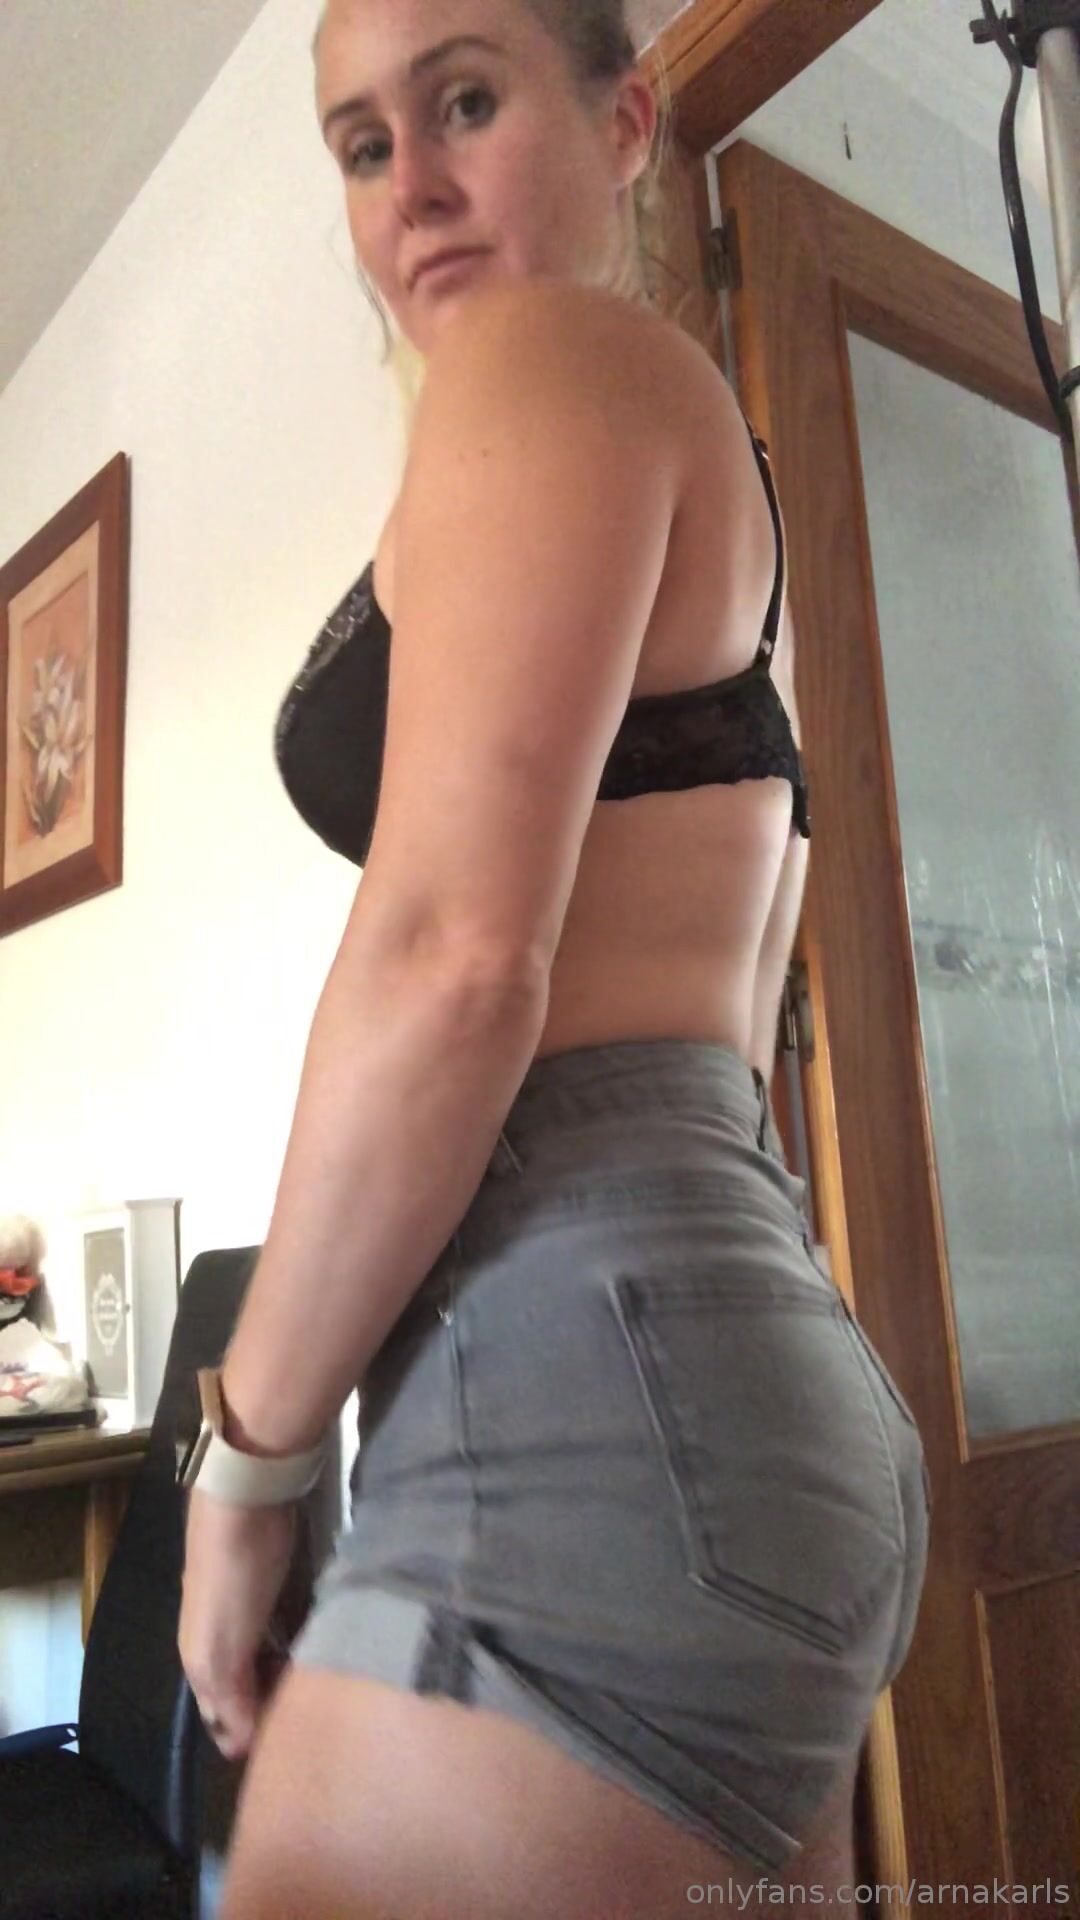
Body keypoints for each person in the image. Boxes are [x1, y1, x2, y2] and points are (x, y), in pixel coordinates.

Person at [178, 2, 931, 1914]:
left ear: (625, 123)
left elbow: (454, 963)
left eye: (466, 101)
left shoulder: (542, 358)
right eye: (363, 146)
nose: (412, 189)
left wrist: (246, 1470)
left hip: (586, 1399)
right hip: (735, 1388)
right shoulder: (697, 458)